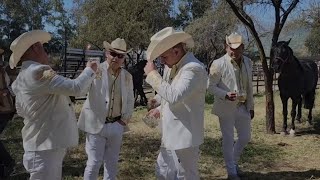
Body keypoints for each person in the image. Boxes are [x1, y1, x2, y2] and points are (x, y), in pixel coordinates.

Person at [10, 30, 98, 179]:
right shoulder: (39, 70)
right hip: (45, 148)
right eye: (44, 48)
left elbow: (21, 110)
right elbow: (76, 88)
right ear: (35, 48)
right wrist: (90, 70)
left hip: (41, 146)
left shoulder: (21, 77)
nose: (47, 53)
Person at [144, 27, 207, 180]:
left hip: (185, 136)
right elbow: (172, 93)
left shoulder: (193, 69)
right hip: (171, 132)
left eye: (164, 57)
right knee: (164, 171)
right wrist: (159, 106)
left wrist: (152, 75)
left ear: (176, 51)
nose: (162, 61)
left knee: (186, 175)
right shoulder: (174, 66)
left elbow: (175, 96)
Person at [78, 38, 134, 180]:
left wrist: (124, 120)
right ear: (106, 53)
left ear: (124, 58)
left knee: (112, 164)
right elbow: (80, 91)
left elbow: (130, 99)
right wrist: (87, 71)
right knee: (93, 163)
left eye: (120, 55)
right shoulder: (95, 69)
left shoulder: (127, 76)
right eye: (113, 53)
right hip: (96, 124)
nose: (116, 58)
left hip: (117, 124)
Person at [207, 32, 254, 180]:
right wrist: (225, 94)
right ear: (226, 47)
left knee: (245, 137)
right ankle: (231, 172)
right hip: (226, 107)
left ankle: (232, 162)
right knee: (228, 139)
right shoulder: (218, 64)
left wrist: (250, 106)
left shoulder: (248, 62)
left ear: (243, 48)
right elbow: (210, 86)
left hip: (242, 106)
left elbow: (249, 86)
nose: (235, 51)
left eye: (238, 48)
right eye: (231, 48)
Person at [0, 48, 16, 178]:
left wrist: (6, 92)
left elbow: (11, 88)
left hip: (4, 109)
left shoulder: (2, 72)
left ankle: (8, 163)